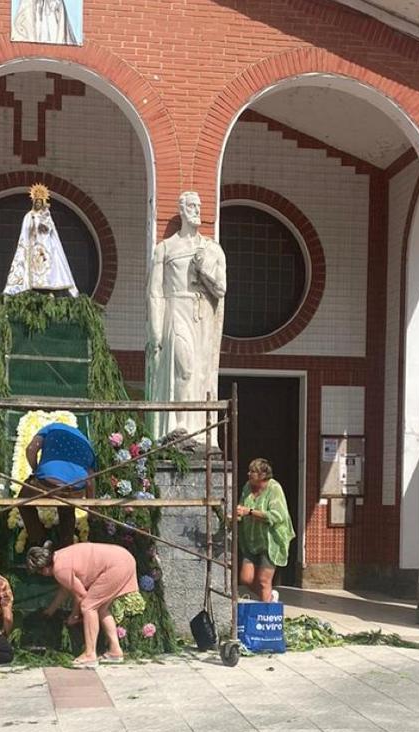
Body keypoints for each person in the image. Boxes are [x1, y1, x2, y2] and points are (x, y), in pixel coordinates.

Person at [146, 191, 227, 447]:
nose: (197, 210)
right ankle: (178, 426)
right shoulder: (165, 248)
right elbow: (155, 292)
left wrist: (204, 270)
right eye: (191, 206)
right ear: (181, 210)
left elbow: (221, 289)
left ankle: (199, 431)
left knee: (201, 373)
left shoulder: (212, 249)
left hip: (202, 315)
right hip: (177, 309)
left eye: (199, 206)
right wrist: (156, 332)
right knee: (184, 366)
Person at [27, 542, 138, 668]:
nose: (42, 575)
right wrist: (50, 611)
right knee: (101, 608)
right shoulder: (60, 556)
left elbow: (81, 595)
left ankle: (90, 654)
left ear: (44, 568)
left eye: (39, 572)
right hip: (124, 558)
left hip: (116, 566)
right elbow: (65, 590)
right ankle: (115, 651)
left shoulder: (60, 569)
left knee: (88, 606)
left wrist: (74, 615)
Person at [18, 421, 96, 550]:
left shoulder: (51, 428)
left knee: (23, 500)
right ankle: (65, 549)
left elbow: (31, 449)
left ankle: (39, 540)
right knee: (67, 510)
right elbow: (90, 480)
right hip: (75, 489)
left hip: (47, 482)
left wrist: (36, 469)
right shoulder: (87, 443)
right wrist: (92, 508)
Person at [234, 458, 295, 603]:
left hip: (271, 542)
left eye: (253, 472)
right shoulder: (247, 487)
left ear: (262, 475)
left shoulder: (274, 489)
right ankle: (269, 597)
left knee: (263, 581)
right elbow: (242, 506)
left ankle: (265, 614)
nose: (249, 474)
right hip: (251, 540)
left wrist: (250, 512)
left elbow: (277, 516)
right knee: (245, 578)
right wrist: (236, 515)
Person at [3, 183, 80, 297]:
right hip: (34, 244)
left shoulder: (47, 215)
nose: (38, 204)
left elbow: (51, 230)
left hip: (46, 246)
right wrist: (33, 225)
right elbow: (26, 230)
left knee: (49, 268)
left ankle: (49, 289)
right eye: (36, 202)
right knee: (33, 267)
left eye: (40, 202)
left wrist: (45, 224)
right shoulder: (30, 215)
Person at [11, 0, 78, 45]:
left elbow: (61, 17)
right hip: (35, 26)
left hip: (51, 24)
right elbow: (24, 13)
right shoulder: (28, 3)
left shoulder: (57, 3)